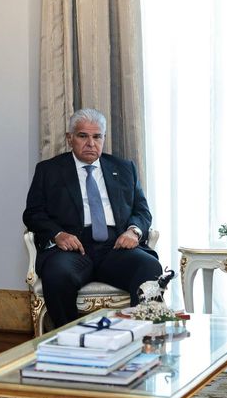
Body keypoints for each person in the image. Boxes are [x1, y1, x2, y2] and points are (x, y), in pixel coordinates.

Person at [23, 108, 162, 328]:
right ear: (70, 139)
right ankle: (68, 339)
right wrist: (57, 234)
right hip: (72, 249)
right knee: (57, 274)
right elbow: (33, 213)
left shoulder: (125, 169)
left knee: (149, 267)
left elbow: (142, 211)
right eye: (83, 136)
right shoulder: (49, 170)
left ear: (104, 138)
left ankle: (140, 335)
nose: (91, 143)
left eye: (97, 136)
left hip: (116, 247)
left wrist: (133, 231)